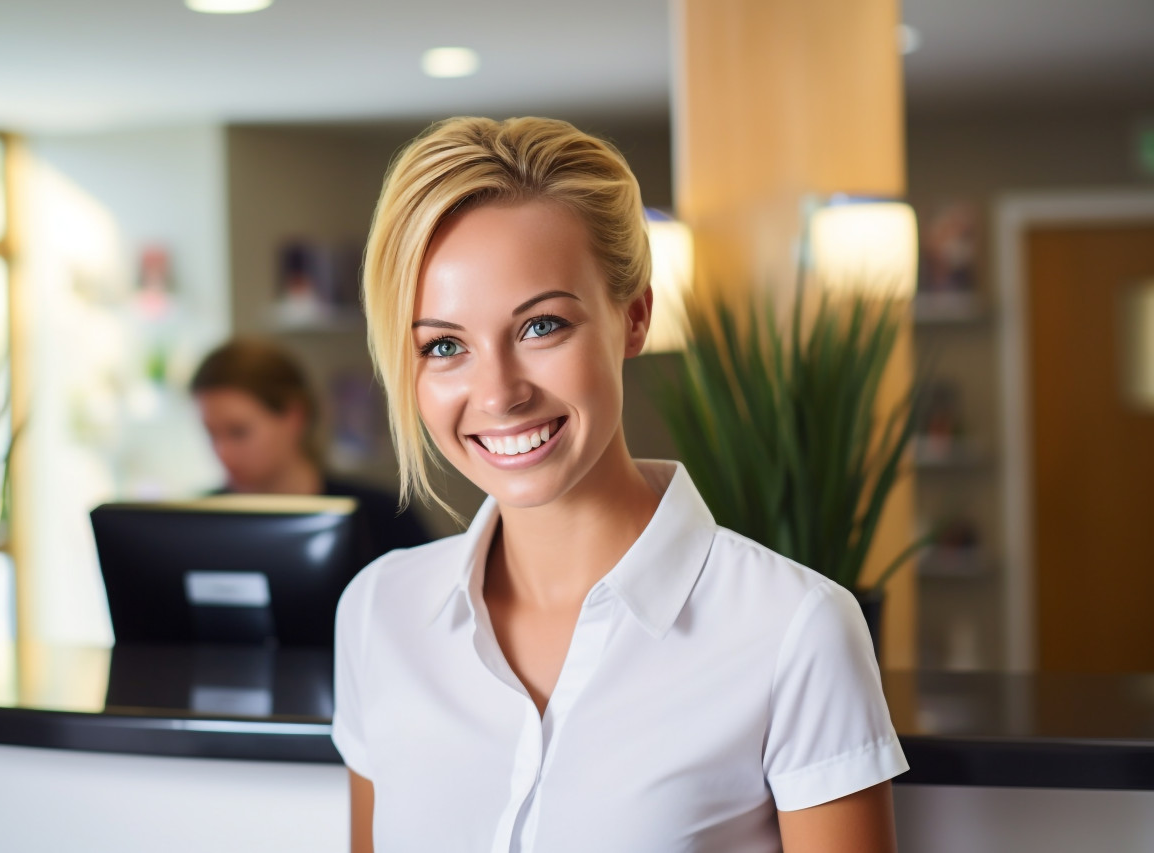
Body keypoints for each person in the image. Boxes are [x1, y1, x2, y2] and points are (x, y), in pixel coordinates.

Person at [333, 117, 908, 852]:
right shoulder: (379, 612)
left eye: (541, 326)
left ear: (633, 316)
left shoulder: (795, 629)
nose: (499, 392)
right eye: (445, 345)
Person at [189, 338, 431, 560]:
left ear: (294, 417)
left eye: (238, 432)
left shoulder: (379, 517)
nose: (223, 452)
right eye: (211, 433)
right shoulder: (194, 523)